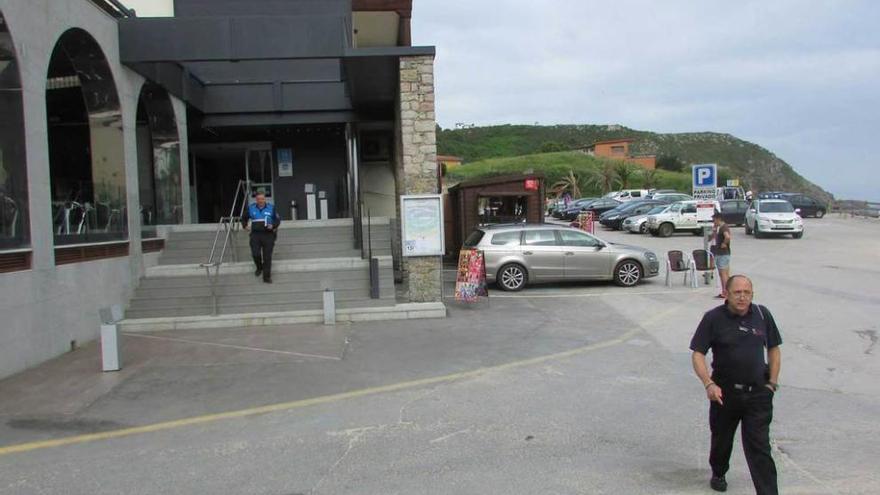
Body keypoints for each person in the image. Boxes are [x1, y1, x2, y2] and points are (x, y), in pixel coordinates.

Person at [690, 275, 782, 494]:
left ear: (752, 294)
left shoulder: (762, 314)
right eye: (737, 292)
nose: (742, 297)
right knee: (721, 441)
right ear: (727, 294)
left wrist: (772, 384)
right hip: (724, 394)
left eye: (747, 293)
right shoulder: (713, 319)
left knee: (760, 449)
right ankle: (719, 471)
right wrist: (709, 384)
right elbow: (698, 354)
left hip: (758, 394)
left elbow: (774, 348)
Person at [240, 192, 281, 284]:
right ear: (256, 200)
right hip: (255, 235)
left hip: (268, 235)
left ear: (265, 199)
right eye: (258, 199)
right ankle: (259, 267)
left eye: (262, 199)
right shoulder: (251, 208)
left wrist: (273, 226)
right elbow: (244, 218)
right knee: (255, 254)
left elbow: (277, 220)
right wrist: (245, 226)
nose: (260, 201)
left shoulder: (271, 208)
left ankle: (266, 277)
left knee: (267, 257)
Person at [711, 211, 732, 299]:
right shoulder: (720, 227)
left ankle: (725, 292)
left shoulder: (723, 228)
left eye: (714, 220)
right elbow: (712, 238)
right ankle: (727, 291)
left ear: (718, 219)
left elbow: (727, 237)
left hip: (722, 253)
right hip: (724, 253)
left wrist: (724, 243)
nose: (713, 222)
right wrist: (714, 230)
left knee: (723, 274)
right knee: (725, 274)